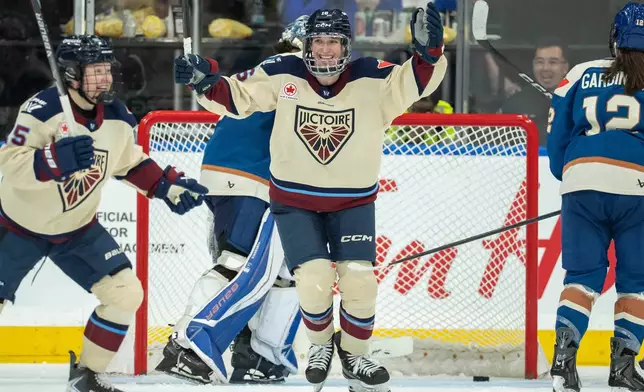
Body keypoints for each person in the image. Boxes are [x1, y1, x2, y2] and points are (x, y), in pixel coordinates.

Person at [174, 3, 446, 391]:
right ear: (307, 44)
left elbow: (415, 81)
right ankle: (318, 346)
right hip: (294, 201)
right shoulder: (283, 70)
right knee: (312, 280)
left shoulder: (371, 76)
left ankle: (354, 355)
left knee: (359, 280)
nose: (325, 50)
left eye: (333, 42)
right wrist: (204, 80)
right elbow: (238, 96)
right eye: (318, 41)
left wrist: (429, 54)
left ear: (346, 45)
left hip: (353, 201)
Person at [0, 35, 208, 392]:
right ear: (71, 76)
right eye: (95, 71)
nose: (105, 78)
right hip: (19, 226)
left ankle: (86, 376)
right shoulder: (41, 109)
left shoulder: (117, 116)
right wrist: (53, 160)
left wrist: (166, 186)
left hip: (77, 229)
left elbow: (129, 163)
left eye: (106, 70)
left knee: (126, 293)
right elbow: (8, 164)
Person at [154, 16, 309, 385]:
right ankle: (189, 346)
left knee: (285, 272)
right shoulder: (298, 75)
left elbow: (224, 94)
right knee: (242, 266)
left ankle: (261, 355)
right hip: (257, 178)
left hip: (228, 178)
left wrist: (207, 78)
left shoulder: (266, 70)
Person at [547, 3, 644, 391]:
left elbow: (557, 138)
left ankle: (562, 366)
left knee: (582, 277)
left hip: (582, 178)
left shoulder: (579, 72)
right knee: (635, 281)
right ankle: (622, 368)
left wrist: (572, 177)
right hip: (638, 184)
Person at [498, 36, 570, 146]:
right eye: (540, 62)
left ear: (565, 67)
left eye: (553, 62)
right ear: (533, 65)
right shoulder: (515, 103)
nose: (545, 68)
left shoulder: (578, 101)